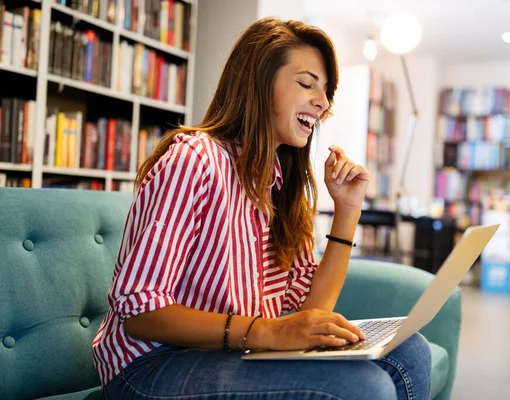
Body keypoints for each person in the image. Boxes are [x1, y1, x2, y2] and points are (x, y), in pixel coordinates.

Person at [93, 17, 431, 400]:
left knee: (411, 351)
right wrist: (266, 332)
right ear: (259, 83)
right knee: (360, 386)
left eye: (325, 91)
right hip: (151, 366)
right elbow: (140, 312)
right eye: (306, 83)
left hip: (230, 353)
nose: (322, 102)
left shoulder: (281, 185)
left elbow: (310, 312)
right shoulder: (195, 159)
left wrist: (348, 210)